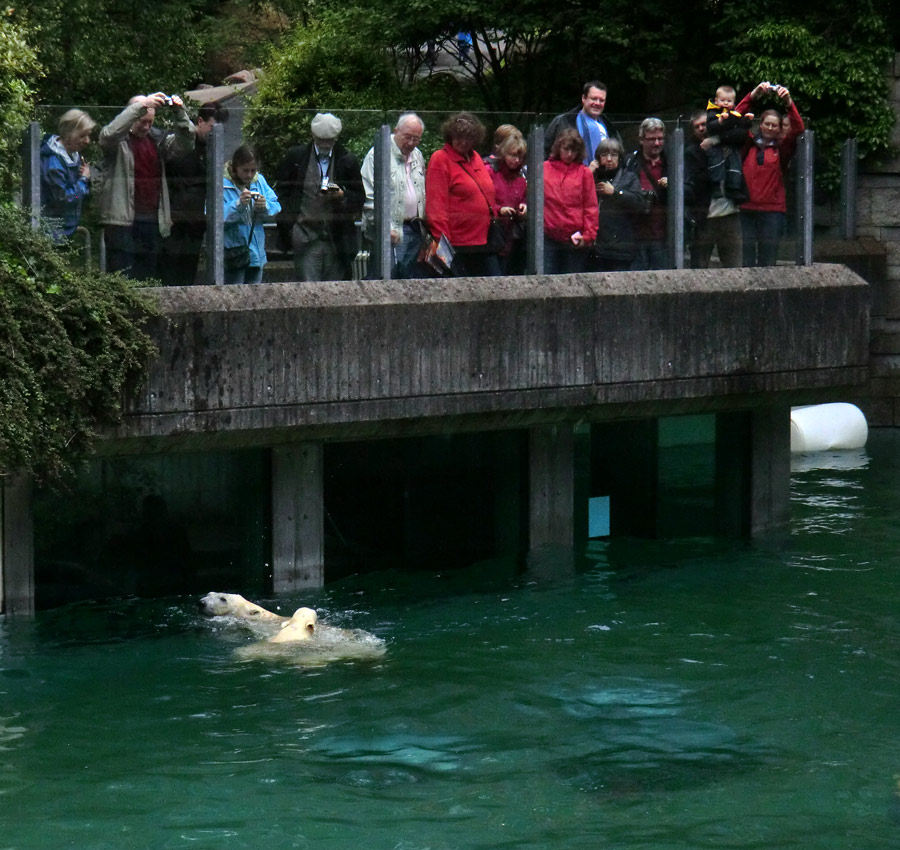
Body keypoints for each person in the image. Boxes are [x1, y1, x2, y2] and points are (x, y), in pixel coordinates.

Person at [98, 92, 196, 280]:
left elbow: (187, 143)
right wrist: (141, 105)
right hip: (122, 221)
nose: (147, 126)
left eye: (150, 122)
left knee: (148, 280)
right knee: (121, 279)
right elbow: (107, 135)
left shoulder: (158, 140)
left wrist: (180, 113)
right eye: (142, 120)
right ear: (132, 115)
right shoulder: (118, 143)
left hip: (152, 221)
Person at [273, 112, 364, 282]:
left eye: (330, 140)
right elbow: (282, 193)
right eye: (321, 140)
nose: (325, 144)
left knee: (335, 291)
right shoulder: (296, 157)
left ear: (336, 138)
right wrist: (290, 228)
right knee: (308, 292)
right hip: (304, 237)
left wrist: (342, 196)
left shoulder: (347, 160)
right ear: (313, 135)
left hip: (336, 240)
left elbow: (359, 197)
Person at [735, 82, 805, 267]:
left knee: (768, 260)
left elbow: (798, 129)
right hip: (746, 209)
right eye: (767, 124)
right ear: (761, 124)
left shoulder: (782, 149)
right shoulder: (748, 144)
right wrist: (752, 95)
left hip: (772, 211)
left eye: (775, 126)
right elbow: (732, 120)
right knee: (746, 259)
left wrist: (789, 103)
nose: (770, 128)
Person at [425, 112, 500, 277]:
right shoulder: (440, 159)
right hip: (458, 243)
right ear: (450, 136)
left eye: (468, 138)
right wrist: (442, 241)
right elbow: (436, 204)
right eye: (458, 137)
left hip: (484, 239)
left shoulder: (476, 158)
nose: (463, 142)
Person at [160, 103, 226, 285]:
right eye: (212, 127)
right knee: (169, 274)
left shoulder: (212, 149)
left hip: (195, 223)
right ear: (200, 121)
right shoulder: (180, 145)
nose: (215, 134)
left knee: (188, 274)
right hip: (174, 221)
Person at [360, 113, 427, 278]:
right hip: (391, 231)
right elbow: (369, 196)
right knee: (387, 278)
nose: (411, 143)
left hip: (416, 228)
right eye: (407, 137)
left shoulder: (417, 155)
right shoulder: (378, 154)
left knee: (408, 278)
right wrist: (384, 228)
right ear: (396, 131)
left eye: (416, 139)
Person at [684, 108, 746, 269]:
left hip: (730, 213)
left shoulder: (729, 143)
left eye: (704, 124)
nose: (701, 129)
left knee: (734, 266)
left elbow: (743, 133)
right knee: (699, 265)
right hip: (706, 215)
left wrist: (717, 140)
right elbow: (697, 180)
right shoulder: (691, 152)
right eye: (697, 126)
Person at [542, 129, 598, 274]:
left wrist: (588, 236)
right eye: (566, 149)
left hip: (574, 237)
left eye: (573, 150)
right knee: (546, 280)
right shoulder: (544, 168)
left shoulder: (584, 173)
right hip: (548, 235)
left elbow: (590, 206)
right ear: (558, 148)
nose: (569, 154)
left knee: (573, 282)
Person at [223, 146, 281, 285]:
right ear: (235, 167)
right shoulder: (222, 185)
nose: (249, 175)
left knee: (255, 297)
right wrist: (238, 205)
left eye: (253, 170)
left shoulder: (259, 181)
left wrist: (264, 206)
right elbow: (215, 218)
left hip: (256, 254)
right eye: (245, 170)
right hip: (233, 254)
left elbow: (276, 206)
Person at [40, 108, 95, 242]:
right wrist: (83, 180)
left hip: (65, 227)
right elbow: (64, 198)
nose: (87, 141)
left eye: (88, 135)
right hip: (52, 228)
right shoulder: (54, 163)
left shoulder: (73, 156)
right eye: (82, 136)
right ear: (68, 133)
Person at [588, 138, 643, 272]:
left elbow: (638, 202)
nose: (608, 159)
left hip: (620, 246)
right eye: (604, 155)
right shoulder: (593, 176)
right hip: (596, 246)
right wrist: (587, 174)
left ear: (620, 158)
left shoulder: (629, 177)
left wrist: (615, 192)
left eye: (613, 155)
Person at [624, 118, 669, 270]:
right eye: (652, 139)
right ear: (641, 139)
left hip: (662, 235)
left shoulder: (673, 162)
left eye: (660, 138)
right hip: (635, 235)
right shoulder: (629, 163)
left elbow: (688, 191)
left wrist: (671, 186)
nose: (657, 143)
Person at [545, 81, 620, 163]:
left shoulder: (609, 126)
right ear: (583, 98)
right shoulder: (563, 121)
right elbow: (545, 151)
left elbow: (619, 154)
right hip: (567, 174)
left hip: (603, 174)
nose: (597, 103)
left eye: (601, 100)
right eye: (594, 99)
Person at [485, 131, 527, 275]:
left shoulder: (521, 179)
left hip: (510, 237)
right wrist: (499, 210)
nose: (516, 160)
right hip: (490, 236)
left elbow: (524, 198)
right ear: (504, 153)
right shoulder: (490, 171)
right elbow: (482, 200)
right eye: (513, 155)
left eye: (520, 157)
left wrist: (524, 206)